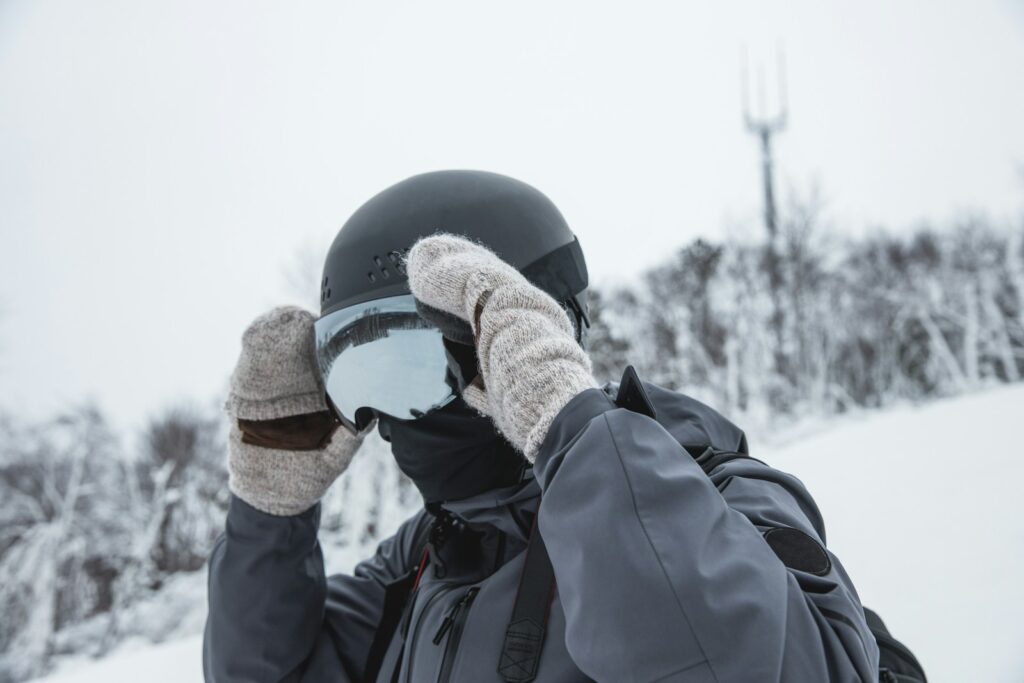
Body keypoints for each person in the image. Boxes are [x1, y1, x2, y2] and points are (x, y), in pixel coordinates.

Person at [203, 171, 880, 682]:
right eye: (363, 378)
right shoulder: (423, 559)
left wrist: (567, 423)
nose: (392, 422)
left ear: (518, 342)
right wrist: (270, 509)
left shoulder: (724, 494)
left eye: (420, 363)